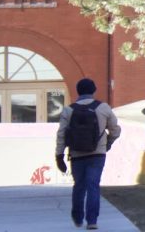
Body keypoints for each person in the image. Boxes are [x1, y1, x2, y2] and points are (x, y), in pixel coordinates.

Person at [55, 78, 120, 230]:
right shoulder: (103, 108)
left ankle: (77, 217)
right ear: (93, 90)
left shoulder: (68, 110)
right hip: (97, 154)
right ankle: (92, 221)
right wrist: (107, 143)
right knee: (93, 185)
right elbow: (116, 130)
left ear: (78, 91)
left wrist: (59, 155)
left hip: (77, 155)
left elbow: (61, 134)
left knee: (79, 186)